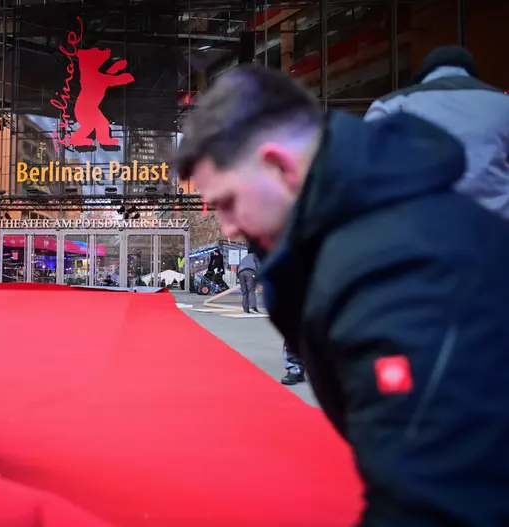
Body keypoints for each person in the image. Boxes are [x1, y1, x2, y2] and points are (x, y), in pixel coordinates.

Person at [175, 63, 509, 525]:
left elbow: (435, 501)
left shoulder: (395, 271)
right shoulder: (368, 229)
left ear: (280, 166)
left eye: (229, 202)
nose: (228, 226)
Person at [364, 45, 509, 219]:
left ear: (426, 71)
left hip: (421, 225)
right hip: (496, 224)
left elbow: (366, 162)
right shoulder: (502, 102)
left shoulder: (393, 103)